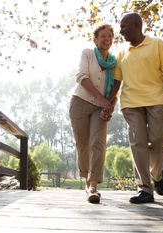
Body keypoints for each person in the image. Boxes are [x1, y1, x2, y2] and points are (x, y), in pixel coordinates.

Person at [113, 13, 163, 204]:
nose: (121, 31)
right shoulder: (121, 53)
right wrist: (109, 103)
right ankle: (145, 189)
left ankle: (156, 176)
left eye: (124, 26)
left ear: (136, 25)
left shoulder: (157, 44)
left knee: (159, 138)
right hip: (130, 104)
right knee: (138, 144)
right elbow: (117, 83)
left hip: (156, 100)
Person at [69, 24, 119, 204]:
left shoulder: (115, 62)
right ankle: (86, 179)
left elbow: (115, 88)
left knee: (97, 143)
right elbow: (81, 76)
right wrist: (100, 98)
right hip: (80, 103)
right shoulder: (87, 54)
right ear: (95, 40)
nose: (107, 39)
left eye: (110, 36)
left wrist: (110, 106)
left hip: (101, 107)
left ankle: (93, 187)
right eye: (103, 36)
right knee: (83, 145)